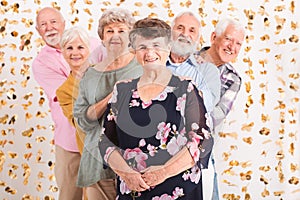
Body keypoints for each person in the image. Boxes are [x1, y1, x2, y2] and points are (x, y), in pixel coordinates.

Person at [98, 17, 213, 199]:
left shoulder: (186, 88)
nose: (149, 52)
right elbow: (106, 142)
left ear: (168, 48)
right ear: (135, 51)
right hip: (133, 190)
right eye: (143, 46)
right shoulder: (121, 89)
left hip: (178, 190)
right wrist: (127, 174)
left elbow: (200, 141)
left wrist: (163, 172)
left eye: (156, 45)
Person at [32, 7, 102, 199]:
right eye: (43, 24)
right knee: (70, 194)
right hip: (70, 141)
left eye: (53, 22)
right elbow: (70, 94)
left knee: (103, 194)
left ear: (63, 23)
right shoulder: (41, 63)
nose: (49, 28)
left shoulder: (94, 44)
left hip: (101, 139)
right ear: (38, 31)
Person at [73, 8, 142, 200]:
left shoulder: (142, 67)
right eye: (109, 31)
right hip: (97, 163)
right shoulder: (91, 74)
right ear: (102, 38)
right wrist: (112, 97)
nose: (115, 36)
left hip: (134, 163)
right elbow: (81, 120)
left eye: (121, 30)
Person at [199, 17, 245, 200]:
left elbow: (216, 116)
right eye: (228, 39)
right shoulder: (185, 59)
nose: (232, 47)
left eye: (238, 44)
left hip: (199, 150)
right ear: (213, 37)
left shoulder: (232, 79)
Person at [167, 11, 221, 118]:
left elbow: (204, 106)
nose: (185, 34)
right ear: (170, 33)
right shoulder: (155, 63)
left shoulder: (208, 71)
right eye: (180, 28)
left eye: (192, 31)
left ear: (198, 39)